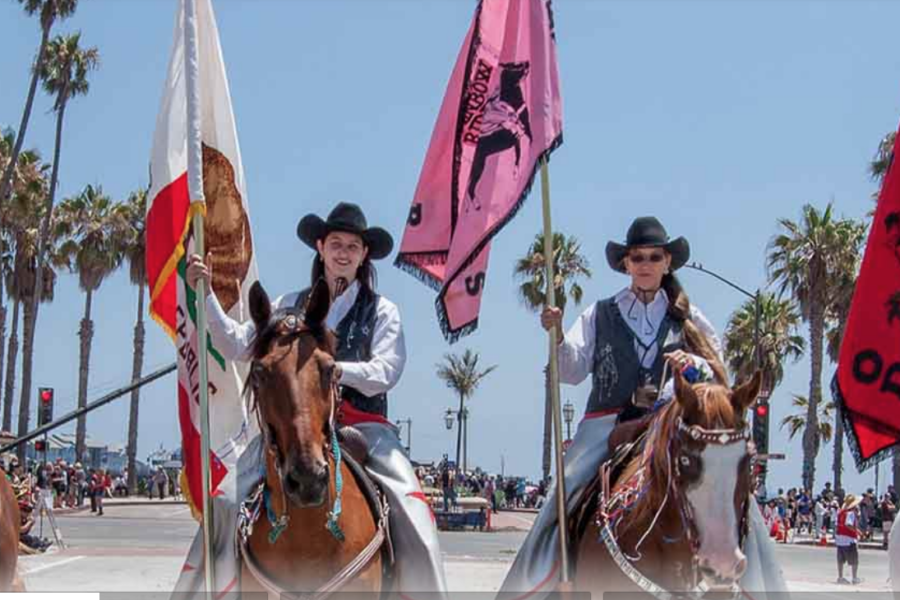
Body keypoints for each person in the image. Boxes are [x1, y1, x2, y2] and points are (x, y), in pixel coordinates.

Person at [499, 217, 787, 596]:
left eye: (654, 256)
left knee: (733, 490)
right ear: (626, 264)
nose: (646, 264)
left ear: (667, 261)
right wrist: (556, 334)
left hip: (671, 425)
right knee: (564, 492)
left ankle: (754, 585)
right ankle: (541, 582)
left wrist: (692, 371)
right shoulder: (600, 313)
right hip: (606, 427)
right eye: (638, 258)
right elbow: (570, 371)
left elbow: (717, 380)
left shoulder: (692, 319)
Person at [175, 202, 446, 594]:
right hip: (294, 425)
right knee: (223, 500)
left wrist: (332, 371)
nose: (343, 253)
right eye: (335, 243)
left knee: (414, 509)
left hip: (364, 427)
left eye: (352, 246)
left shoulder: (382, 311)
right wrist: (205, 295)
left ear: (364, 254)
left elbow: (386, 372)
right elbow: (236, 344)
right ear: (320, 247)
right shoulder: (288, 305)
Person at [836, 493, 861, 584]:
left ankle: (840, 577)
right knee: (854, 559)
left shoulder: (840, 513)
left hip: (840, 539)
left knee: (840, 560)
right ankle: (854, 577)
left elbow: (837, 525)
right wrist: (856, 531)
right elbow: (848, 524)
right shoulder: (850, 513)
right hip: (849, 539)